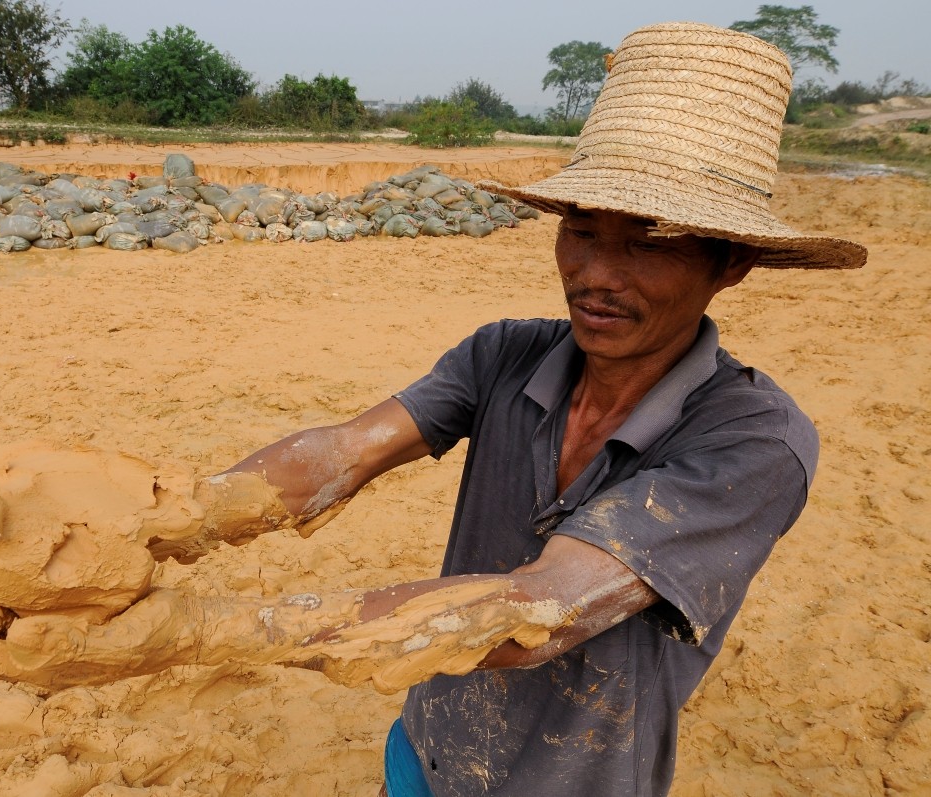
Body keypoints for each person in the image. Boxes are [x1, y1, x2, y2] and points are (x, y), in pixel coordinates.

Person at [212, 21, 867, 796]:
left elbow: (537, 609)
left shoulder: (753, 440)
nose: (597, 274)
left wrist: (220, 629)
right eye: (581, 229)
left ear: (732, 262)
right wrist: (168, 524)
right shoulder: (505, 354)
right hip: (426, 751)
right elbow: (347, 451)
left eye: (649, 242)